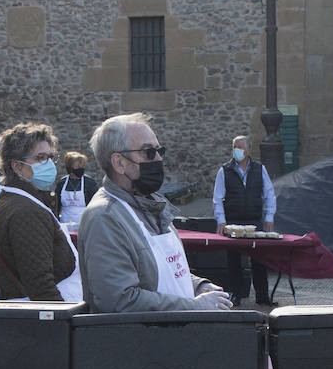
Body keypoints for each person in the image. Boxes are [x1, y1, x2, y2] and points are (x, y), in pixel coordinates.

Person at [77, 113, 232, 313]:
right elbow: (119, 300)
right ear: (119, 163)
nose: (158, 159)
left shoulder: (153, 205)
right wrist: (195, 306)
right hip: (137, 339)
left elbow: (164, 272)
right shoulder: (105, 217)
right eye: (148, 152)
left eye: (159, 151)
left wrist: (198, 286)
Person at [0, 122, 83, 302]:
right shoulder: (25, 211)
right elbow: (40, 285)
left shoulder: (21, 200)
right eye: (39, 158)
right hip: (42, 317)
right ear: (16, 166)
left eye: (50, 157)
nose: (48, 164)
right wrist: (66, 324)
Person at [213, 134, 277, 306]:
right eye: (234, 147)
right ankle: (235, 295)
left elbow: (269, 194)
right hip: (233, 220)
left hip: (254, 221)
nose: (237, 150)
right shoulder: (224, 170)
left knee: (259, 260)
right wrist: (221, 221)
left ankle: (262, 297)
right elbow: (217, 198)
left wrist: (269, 218)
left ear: (249, 150)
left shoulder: (259, 169)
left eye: (240, 147)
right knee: (233, 261)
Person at [56, 151, 99, 231]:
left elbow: (96, 206)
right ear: (70, 167)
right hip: (65, 225)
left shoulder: (89, 183)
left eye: (82, 166)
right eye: (78, 166)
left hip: (85, 225)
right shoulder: (62, 183)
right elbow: (56, 207)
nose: (81, 168)